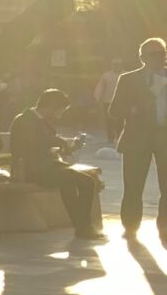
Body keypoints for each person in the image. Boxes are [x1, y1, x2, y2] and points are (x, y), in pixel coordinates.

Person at [9, 88, 103, 241]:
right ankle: (83, 226)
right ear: (51, 106)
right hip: (32, 169)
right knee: (86, 182)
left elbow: (45, 145)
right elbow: (33, 145)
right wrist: (59, 141)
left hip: (47, 166)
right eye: (60, 110)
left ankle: (82, 227)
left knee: (73, 182)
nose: (61, 114)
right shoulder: (25, 120)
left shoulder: (41, 121)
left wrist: (67, 146)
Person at [109, 36, 167, 241]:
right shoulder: (128, 79)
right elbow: (114, 109)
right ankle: (131, 226)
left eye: (163, 53)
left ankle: (165, 229)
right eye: (155, 54)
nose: (161, 58)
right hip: (137, 136)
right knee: (133, 186)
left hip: (164, 134)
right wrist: (135, 110)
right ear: (142, 57)